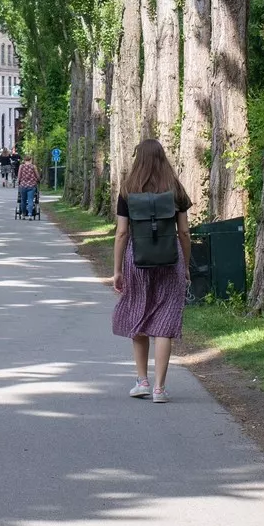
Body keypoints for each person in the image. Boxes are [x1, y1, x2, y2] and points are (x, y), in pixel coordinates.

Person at [110, 138, 191, 403]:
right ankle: (159, 388)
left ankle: (142, 380)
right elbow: (184, 232)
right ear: (162, 158)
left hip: (138, 260)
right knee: (164, 324)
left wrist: (118, 269)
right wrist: (186, 265)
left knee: (139, 316)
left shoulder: (128, 189)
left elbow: (122, 233)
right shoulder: (175, 190)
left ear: (138, 160)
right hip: (170, 259)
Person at [16, 150, 40, 220]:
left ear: (24, 160)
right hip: (31, 186)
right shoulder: (33, 167)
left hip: (23, 185)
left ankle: (23, 214)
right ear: (31, 160)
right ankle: (30, 214)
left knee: (23, 200)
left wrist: (19, 182)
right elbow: (37, 175)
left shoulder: (21, 166)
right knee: (30, 200)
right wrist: (38, 179)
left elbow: (19, 176)